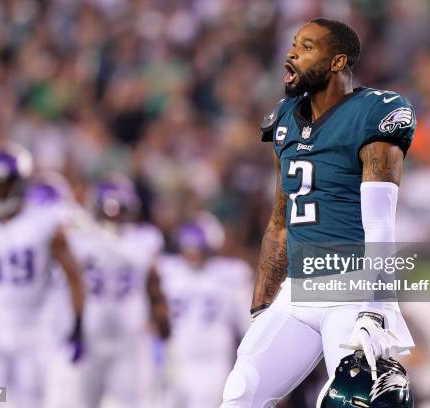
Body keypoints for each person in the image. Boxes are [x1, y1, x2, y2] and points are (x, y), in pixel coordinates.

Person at [221, 18, 416, 407]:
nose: (292, 53)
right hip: (297, 290)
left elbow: (379, 222)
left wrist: (376, 309)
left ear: (337, 61)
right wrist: (262, 307)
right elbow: (280, 222)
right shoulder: (285, 120)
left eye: (307, 47)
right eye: (294, 44)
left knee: (354, 400)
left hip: (351, 288)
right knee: (241, 391)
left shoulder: (374, 112)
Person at [0, 145, 85, 408]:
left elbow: (74, 277)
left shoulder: (45, 221)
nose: (0, 191)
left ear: (21, 182)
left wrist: (78, 326)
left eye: (6, 183)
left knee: (30, 402)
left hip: (33, 330)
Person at [68, 174, 169, 408]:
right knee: (81, 402)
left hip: (131, 340)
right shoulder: (80, 237)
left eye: (119, 208)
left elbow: (140, 263)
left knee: (134, 402)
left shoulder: (145, 237)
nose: (113, 215)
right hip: (90, 338)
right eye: (108, 209)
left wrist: (95, 231)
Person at [157, 223, 251, 408]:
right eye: (188, 249)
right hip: (176, 356)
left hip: (212, 359)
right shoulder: (167, 270)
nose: (193, 255)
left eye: (197, 249)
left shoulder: (229, 274)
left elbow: (246, 321)